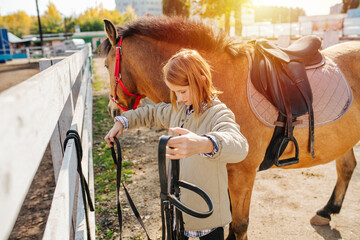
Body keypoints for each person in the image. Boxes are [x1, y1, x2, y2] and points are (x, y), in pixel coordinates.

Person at [105, 49, 248, 239]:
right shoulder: (179, 110)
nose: (179, 98)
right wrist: (123, 121)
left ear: (201, 80)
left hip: (207, 214)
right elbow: (152, 113)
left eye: (182, 91)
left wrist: (205, 144)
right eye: (174, 92)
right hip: (178, 210)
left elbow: (239, 145)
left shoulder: (218, 113)